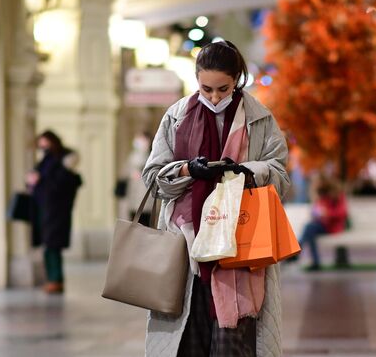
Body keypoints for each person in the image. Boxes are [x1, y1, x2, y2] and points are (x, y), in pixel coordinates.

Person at [142, 40, 290, 357]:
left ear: (237, 79)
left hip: (242, 249)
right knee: (188, 344)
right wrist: (186, 169)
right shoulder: (176, 116)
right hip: (185, 250)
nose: (214, 97)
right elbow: (152, 177)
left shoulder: (260, 119)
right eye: (206, 88)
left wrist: (248, 172)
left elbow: (280, 175)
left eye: (222, 88)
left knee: (233, 346)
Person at [27, 130, 83, 294]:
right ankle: (52, 279)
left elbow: (62, 182)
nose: (43, 146)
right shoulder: (47, 159)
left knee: (53, 245)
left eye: (45, 142)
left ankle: (56, 279)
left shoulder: (63, 160)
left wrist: (40, 180)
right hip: (43, 208)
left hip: (57, 209)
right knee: (47, 244)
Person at [292, 175, 348, 271]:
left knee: (309, 229)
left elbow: (342, 213)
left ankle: (298, 251)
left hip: (333, 227)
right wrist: (317, 213)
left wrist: (328, 214)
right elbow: (316, 210)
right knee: (310, 231)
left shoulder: (339, 196)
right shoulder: (323, 195)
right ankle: (314, 261)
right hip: (322, 224)